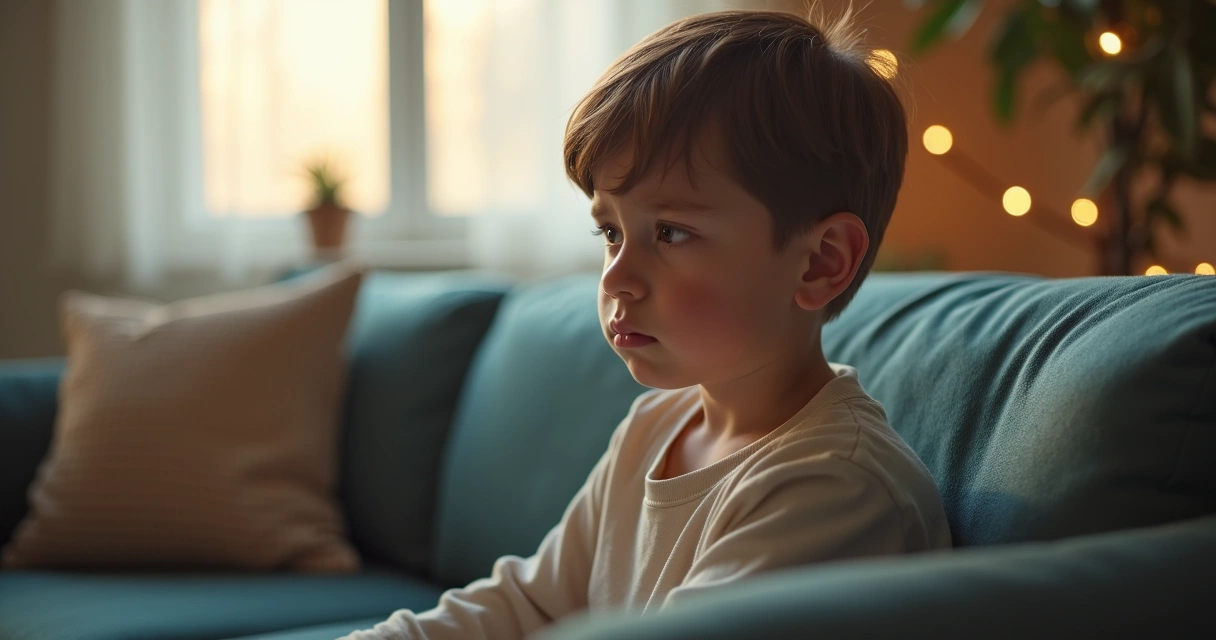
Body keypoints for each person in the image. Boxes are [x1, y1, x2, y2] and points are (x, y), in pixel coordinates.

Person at [340, 7, 951, 639]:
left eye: (671, 232)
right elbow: (532, 604)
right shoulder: (655, 426)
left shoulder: (833, 486)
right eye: (610, 231)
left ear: (820, 263)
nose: (615, 278)